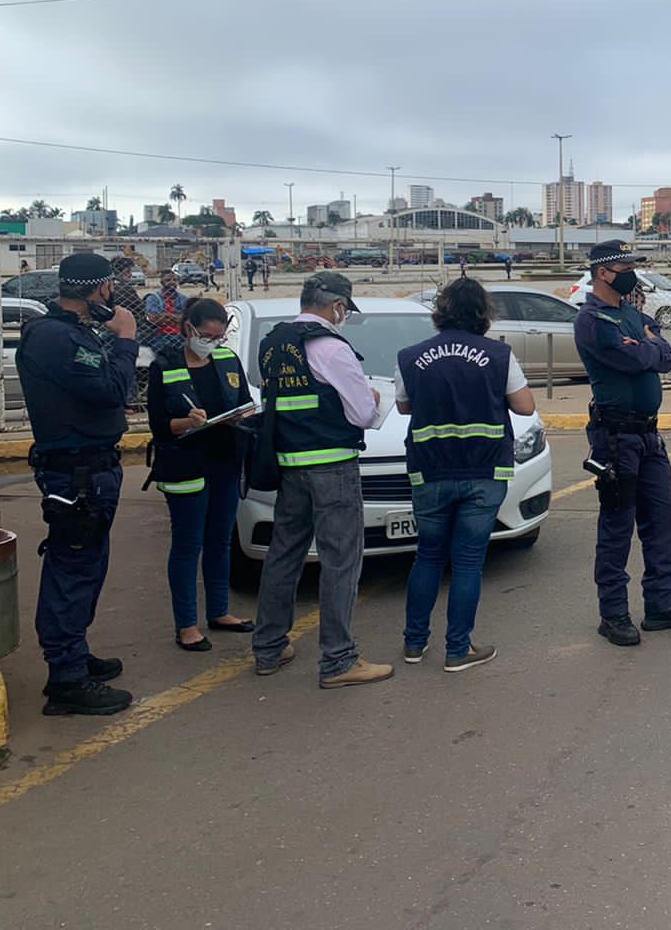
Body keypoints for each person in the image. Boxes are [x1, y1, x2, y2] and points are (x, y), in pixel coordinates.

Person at [253, 271, 395, 687]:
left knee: (284, 556)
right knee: (341, 561)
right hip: (333, 467)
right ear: (337, 306)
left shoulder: (273, 344)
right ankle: (338, 660)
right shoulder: (332, 347)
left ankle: (269, 648)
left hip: (290, 466)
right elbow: (363, 414)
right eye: (345, 310)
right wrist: (371, 399)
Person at [14, 253, 139, 715]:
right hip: (77, 474)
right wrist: (126, 339)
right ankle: (66, 678)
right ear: (100, 289)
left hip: (88, 468)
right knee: (73, 569)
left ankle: (75, 655)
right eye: (110, 287)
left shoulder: (69, 332)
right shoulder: (56, 337)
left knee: (87, 565)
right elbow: (112, 389)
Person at [393, 279, 536, 671]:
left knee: (427, 556)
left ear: (441, 311)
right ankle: (458, 650)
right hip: (483, 470)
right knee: (468, 562)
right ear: (483, 313)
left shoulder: (410, 356)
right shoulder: (499, 355)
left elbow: (404, 407)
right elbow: (525, 407)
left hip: (430, 470)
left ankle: (414, 644)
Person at [574, 240, 671, 647]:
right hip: (615, 438)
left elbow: (667, 358)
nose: (632, 274)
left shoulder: (632, 314)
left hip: (649, 436)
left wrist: (648, 345)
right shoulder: (593, 320)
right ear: (602, 273)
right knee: (617, 526)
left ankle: (660, 603)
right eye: (625, 267)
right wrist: (650, 346)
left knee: (664, 519)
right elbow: (632, 360)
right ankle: (613, 613)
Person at [145, 298, 256, 651]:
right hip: (185, 465)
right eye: (207, 336)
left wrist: (241, 415)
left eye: (219, 337)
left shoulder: (227, 360)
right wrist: (185, 422)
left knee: (220, 540)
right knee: (187, 545)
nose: (212, 343)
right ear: (188, 328)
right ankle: (187, 625)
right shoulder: (165, 366)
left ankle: (219, 611)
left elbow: (243, 400)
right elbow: (159, 425)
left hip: (224, 461)